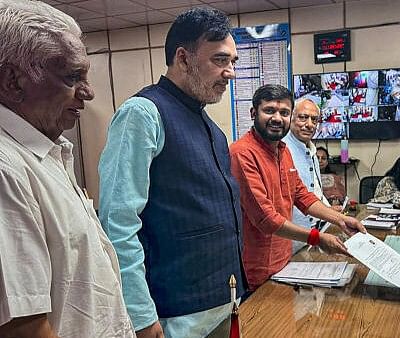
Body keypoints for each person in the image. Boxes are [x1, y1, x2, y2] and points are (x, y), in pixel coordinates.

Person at [98, 8, 244, 338]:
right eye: (220, 60)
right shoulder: (143, 113)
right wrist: (140, 316)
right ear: (183, 58)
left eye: (233, 61)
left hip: (223, 300)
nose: (230, 72)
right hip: (175, 312)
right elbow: (118, 223)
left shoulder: (210, 126)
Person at [0, 1, 134, 337]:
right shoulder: (6, 170)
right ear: (13, 81)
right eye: (72, 77)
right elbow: (23, 328)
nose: (88, 92)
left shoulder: (47, 150)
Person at [230, 84, 366, 290]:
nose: (277, 118)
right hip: (258, 267)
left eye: (284, 112)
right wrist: (317, 239)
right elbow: (265, 219)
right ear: (253, 113)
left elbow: (302, 195)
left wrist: (340, 219)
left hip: (286, 259)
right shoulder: (242, 153)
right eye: (269, 110)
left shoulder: (282, 151)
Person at [283, 98, 337, 254]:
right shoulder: (282, 149)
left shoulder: (311, 150)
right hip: (293, 239)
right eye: (303, 117)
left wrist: (330, 211)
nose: (309, 124)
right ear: (290, 118)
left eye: (314, 119)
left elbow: (314, 190)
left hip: (315, 234)